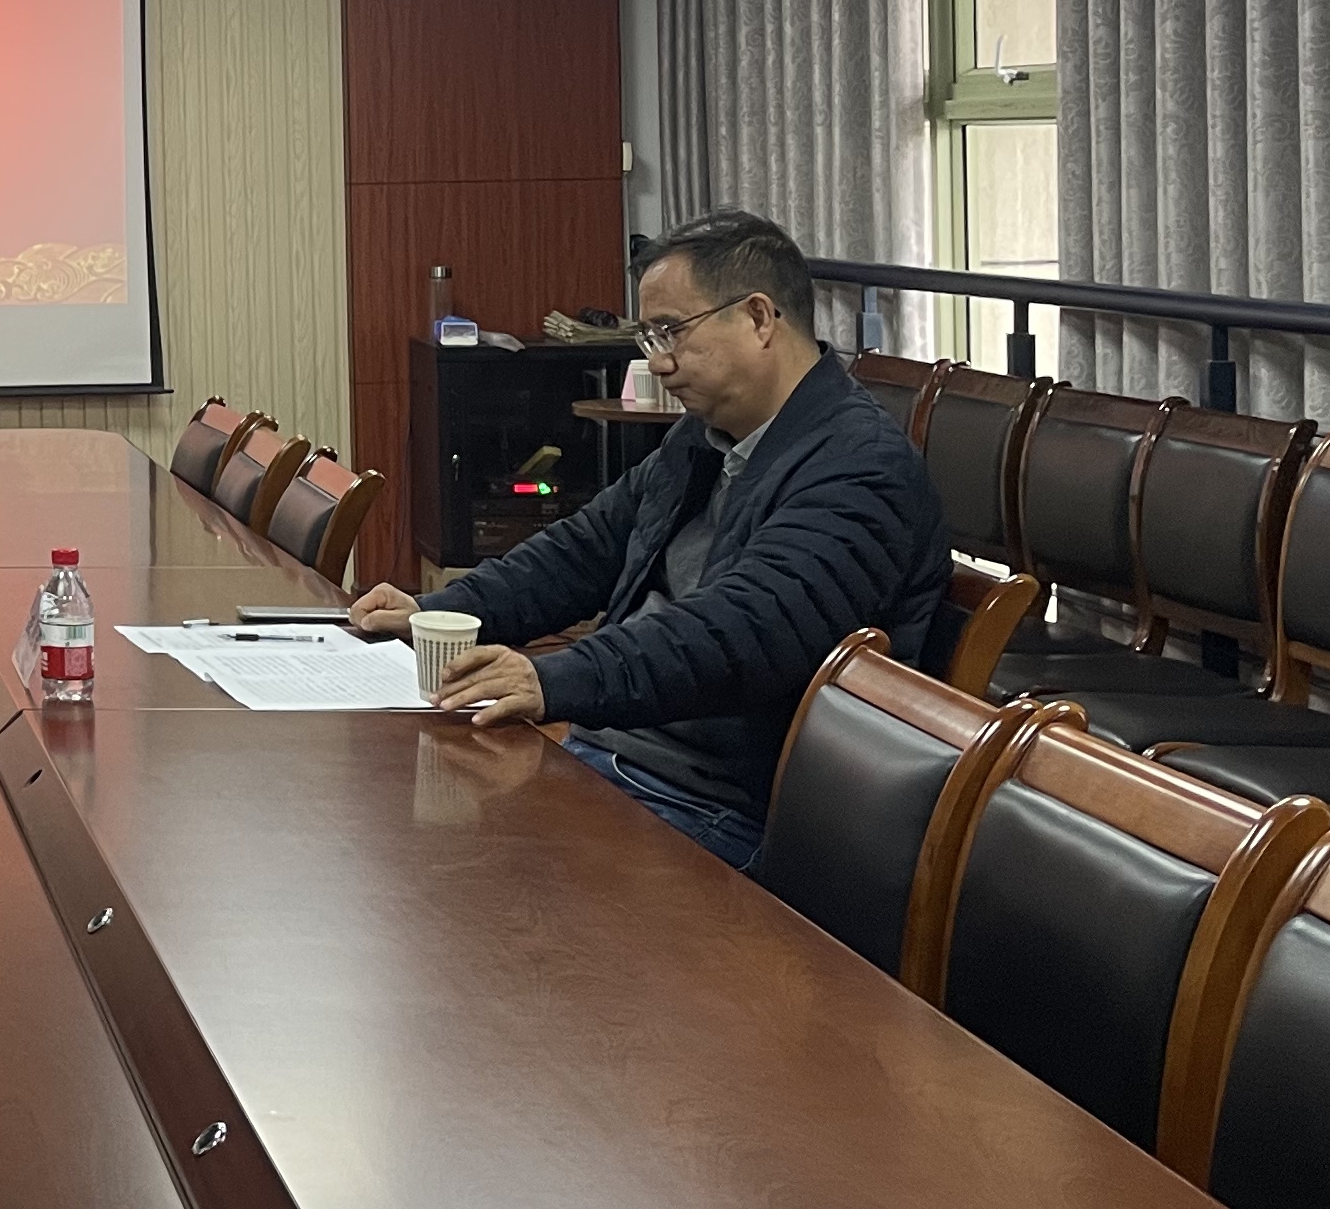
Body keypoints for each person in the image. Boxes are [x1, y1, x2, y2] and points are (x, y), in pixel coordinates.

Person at [346, 210, 952, 869]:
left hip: (723, 810)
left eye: (672, 332)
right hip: (620, 759)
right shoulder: (705, 437)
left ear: (758, 317)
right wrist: (437, 614)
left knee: (452, 871)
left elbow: (742, 632)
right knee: (393, 829)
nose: (658, 362)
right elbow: (585, 548)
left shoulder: (859, 467)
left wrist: (554, 678)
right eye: (648, 337)